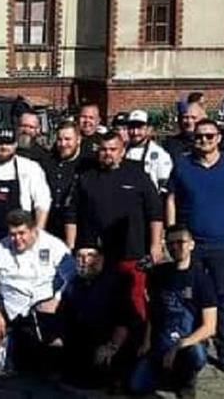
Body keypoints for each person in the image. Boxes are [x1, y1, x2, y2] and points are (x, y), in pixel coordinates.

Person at [166, 117, 224, 373]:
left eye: (209, 136)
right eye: (199, 136)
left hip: (223, 246)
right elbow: (171, 199)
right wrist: (174, 236)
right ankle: (192, 348)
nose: (204, 140)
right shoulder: (183, 166)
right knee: (188, 298)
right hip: (190, 246)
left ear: (218, 138)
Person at [64, 129, 163, 323]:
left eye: (112, 149)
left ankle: (138, 343)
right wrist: (70, 246)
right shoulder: (86, 177)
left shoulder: (138, 174)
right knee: (97, 301)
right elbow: (72, 214)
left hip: (131, 251)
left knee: (134, 300)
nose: (108, 153)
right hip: (95, 254)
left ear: (122, 151)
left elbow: (155, 213)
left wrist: (156, 244)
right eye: (103, 150)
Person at [0, 209, 76, 373]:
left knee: (44, 363)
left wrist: (57, 298)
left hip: (42, 307)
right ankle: (2, 351)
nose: (17, 239)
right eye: (13, 234)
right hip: (9, 306)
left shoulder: (53, 245)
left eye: (22, 233)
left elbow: (71, 274)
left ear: (33, 229)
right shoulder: (0, 248)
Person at [129, 224, 217, 398]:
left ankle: (187, 381)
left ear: (191, 244)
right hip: (161, 339)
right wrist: (146, 341)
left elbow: (210, 327)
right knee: (136, 386)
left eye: (180, 242)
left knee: (196, 355)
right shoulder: (159, 274)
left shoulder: (202, 279)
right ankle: (165, 372)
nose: (175, 247)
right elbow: (152, 312)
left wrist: (179, 346)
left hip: (188, 342)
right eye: (170, 243)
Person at [59, 241, 137, 389]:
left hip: (110, 344)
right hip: (83, 343)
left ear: (100, 259)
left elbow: (124, 321)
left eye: (90, 256)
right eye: (80, 256)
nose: (84, 260)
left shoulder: (116, 282)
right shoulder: (74, 284)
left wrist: (112, 347)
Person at [44, 121, 89, 239]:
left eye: (68, 139)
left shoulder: (88, 164)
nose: (63, 144)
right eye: (59, 139)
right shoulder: (47, 162)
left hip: (80, 229)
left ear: (78, 140)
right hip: (51, 227)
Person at [125, 110, 173, 193]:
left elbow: (164, 184)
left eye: (139, 128)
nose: (135, 132)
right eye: (132, 127)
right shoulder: (122, 151)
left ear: (148, 129)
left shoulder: (159, 154)